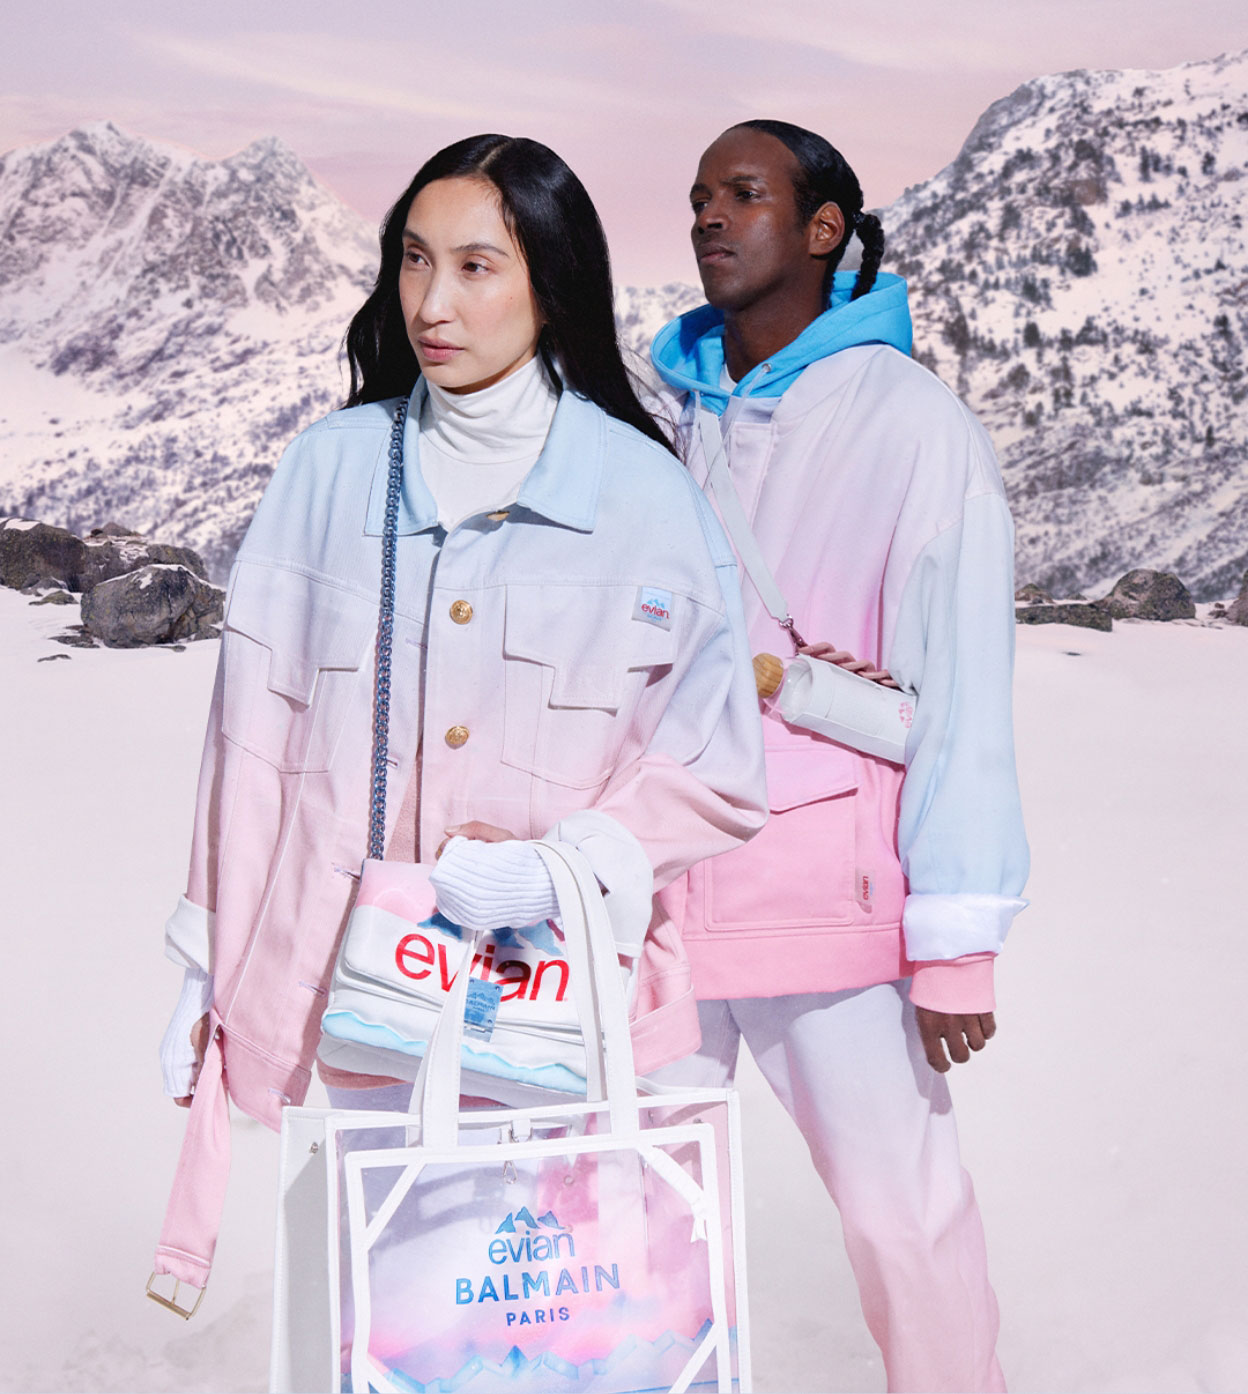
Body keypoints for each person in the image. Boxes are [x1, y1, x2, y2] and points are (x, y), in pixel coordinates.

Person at [151, 133, 767, 1303]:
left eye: (477, 266)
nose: (433, 303)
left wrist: (561, 870)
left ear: (552, 281)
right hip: (367, 992)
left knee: (556, 1336)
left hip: (566, 1014)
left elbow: (720, 764)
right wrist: (206, 948)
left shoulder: (648, 499)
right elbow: (248, 746)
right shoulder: (328, 473)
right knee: (396, 1328)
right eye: (415, 260)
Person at [649, 119, 1029, 1393]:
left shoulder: (919, 429)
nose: (709, 215)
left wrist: (956, 935)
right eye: (699, 196)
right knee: (637, 1225)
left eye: (743, 194)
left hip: (832, 899)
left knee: (902, 1223)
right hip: (657, 893)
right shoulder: (674, 420)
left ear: (825, 230)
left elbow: (965, 696)